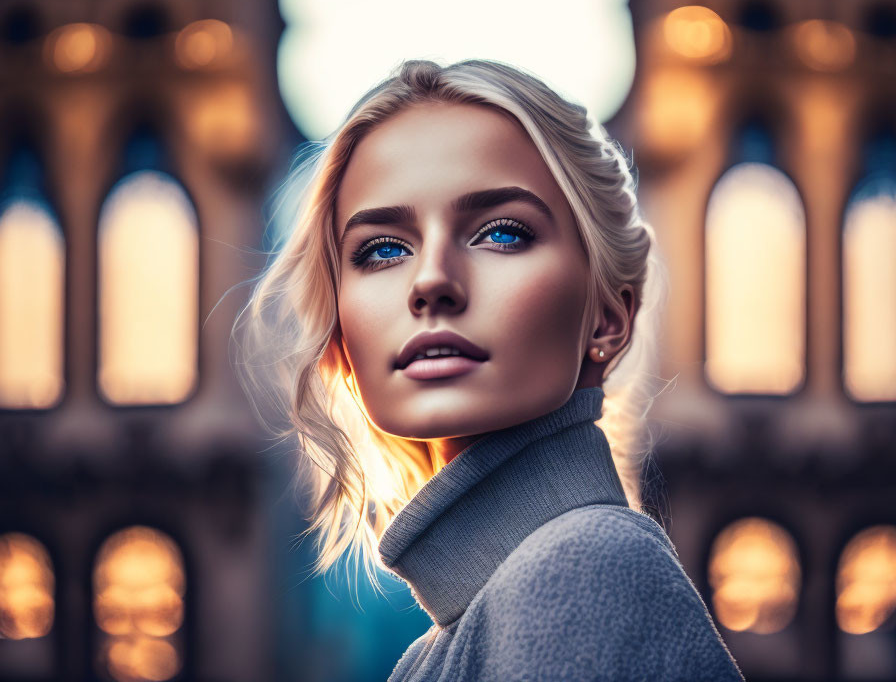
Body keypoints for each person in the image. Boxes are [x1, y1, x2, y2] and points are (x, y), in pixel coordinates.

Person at [233, 59, 745, 681]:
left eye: (501, 234)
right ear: (340, 336)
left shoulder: (581, 569)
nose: (431, 282)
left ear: (608, 318)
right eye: (384, 249)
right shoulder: (445, 640)